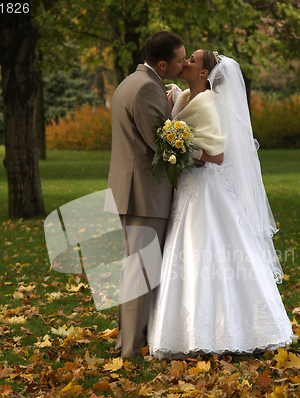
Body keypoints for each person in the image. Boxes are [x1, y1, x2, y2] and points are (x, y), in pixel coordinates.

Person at [147, 49, 296, 358]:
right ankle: (188, 329)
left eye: (193, 61)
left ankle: (231, 329)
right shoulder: (187, 95)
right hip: (188, 187)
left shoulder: (207, 105)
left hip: (204, 187)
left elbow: (217, 156)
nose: (185, 62)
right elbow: (176, 114)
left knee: (208, 252)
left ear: (204, 73)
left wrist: (183, 148)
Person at [106, 32, 188, 358]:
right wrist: (179, 123)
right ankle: (129, 350)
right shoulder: (146, 89)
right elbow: (163, 145)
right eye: (181, 60)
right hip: (143, 192)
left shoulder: (131, 82)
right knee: (140, 274)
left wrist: (167, 111)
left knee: (134, 271)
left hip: (129, 188)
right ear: (163, 63)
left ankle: (126, 340)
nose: (183, 65)